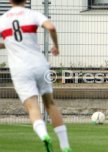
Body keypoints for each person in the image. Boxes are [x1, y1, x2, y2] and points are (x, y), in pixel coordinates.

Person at [0, 0, 72, 152]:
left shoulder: (3, 19)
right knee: (50, 104)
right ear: (26, 0)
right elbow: (51, 27)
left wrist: (10, 43)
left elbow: (11, 41)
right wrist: (56, 47)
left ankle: (44, 135)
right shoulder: (32, 14)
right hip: (40, 65)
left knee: (32, 106)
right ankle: (65, 146)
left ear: (9, 1)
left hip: (20, 70)